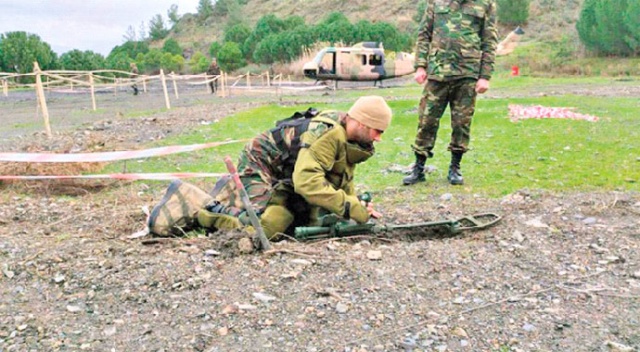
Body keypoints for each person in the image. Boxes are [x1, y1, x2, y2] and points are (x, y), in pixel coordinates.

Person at [199, 96, 393, 240]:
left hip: (289, 171)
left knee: (309, 222)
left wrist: (356, 205)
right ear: (361, 122)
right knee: (271, 224)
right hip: (260, 163)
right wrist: (350, 207)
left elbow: (340, 177)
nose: (378, 138)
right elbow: (307, 183)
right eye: (377, 130)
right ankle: (212, 212)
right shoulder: (327, 134)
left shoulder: (348, 138)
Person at [403, 0, 498, 186]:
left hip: (467, 74)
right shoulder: (436, 2)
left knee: (461, 123)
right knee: (426, 121)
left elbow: (489, 42)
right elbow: (424, 35)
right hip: (437, 73)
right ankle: (418, 167)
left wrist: (484, 76)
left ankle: (455, 167)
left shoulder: (486, 4)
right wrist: (420, 65)